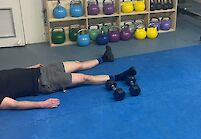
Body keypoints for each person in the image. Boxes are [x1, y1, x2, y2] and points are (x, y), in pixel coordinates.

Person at [0, 46, 137, 110]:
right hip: (45, 82)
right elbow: (15, 105)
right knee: (85, 78)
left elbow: (14, 73)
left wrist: (30, 67)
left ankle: (104, 58)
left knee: (78, 64)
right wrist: (42, 104)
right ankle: (119, 77)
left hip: (43, 69)